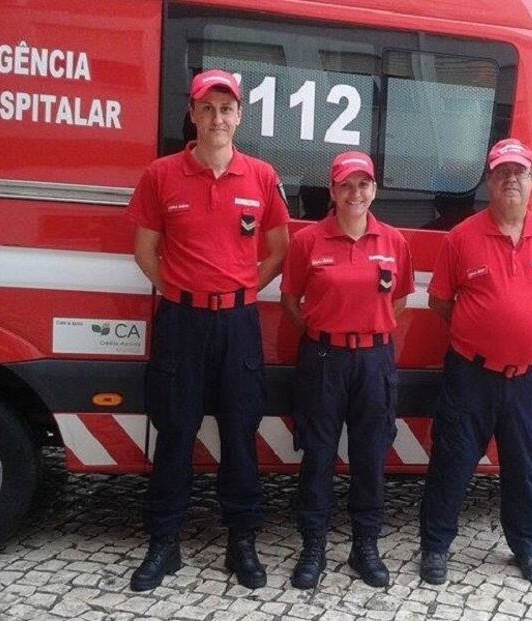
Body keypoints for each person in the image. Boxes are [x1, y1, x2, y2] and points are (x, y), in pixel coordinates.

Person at [126, 69, 290, 591]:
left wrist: (239, 288)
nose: (218, 118)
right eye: (208, 108)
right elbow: (145, 252)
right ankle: (164, 543)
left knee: (240, 434)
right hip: (182, 322)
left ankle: (241, 542)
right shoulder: (160, 175)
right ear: (192, 115)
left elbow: (279, 249)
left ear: (239, 116)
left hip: (238, 325)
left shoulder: (262, 176)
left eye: (227, 109)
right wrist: (182, 290)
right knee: (174, 433)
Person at [418, 138, 532, 585]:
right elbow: (441, 302)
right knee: (451, 461)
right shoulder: (461, 238)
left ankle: (528, 547)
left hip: (526, 380)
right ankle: (434, 547)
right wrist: (483, 330)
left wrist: (522, 332)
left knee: (526, 465)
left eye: (519, 172)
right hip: (471, 374)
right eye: (502, 172)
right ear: (489, 180)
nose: (511, 179)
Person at [280, 151, 414, 589]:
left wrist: (364, 332)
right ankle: (313, 546)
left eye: (364, 184)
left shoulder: (394, 242)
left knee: (370, 457)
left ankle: (365, 547)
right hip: (323, 360)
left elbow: (398, 301)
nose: (355, 193)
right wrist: (325, 333)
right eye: (346, 185)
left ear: (374, 190)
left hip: (375, 361)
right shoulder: (307, 242)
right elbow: (291, 301)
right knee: (318, 456)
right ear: (333, 191)